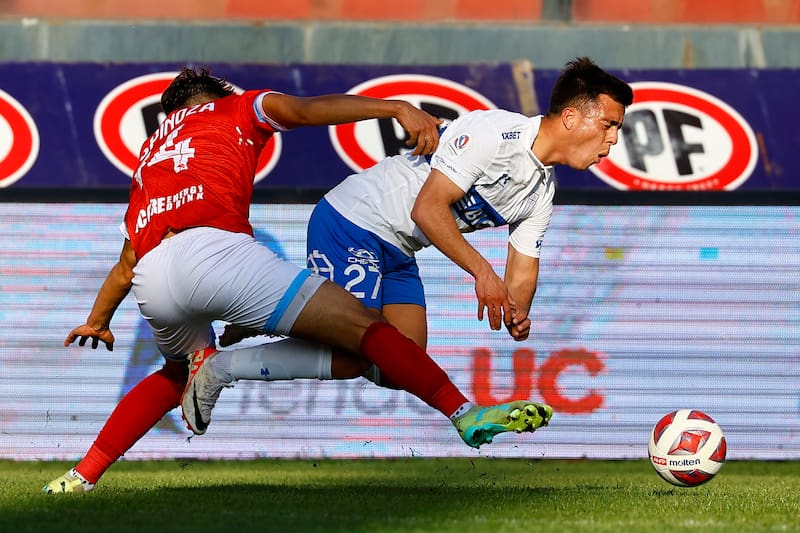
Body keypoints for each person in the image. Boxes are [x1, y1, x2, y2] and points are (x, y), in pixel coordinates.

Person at [43, 67, 552, 494]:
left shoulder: (150, 159)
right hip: (219, 255)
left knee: (176, 372)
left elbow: (126, 263)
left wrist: (97, 320)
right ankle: (463, 413)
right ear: (214, 95)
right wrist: (395, 107)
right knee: (364, 333)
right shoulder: (235, 107)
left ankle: (79, 477)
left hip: (153, 279)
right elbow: (307, 111)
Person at [206, 56, 633, 403]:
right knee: (355, 350)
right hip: (353, 220)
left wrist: (518, 313)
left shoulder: (541, 191)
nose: (612, 141)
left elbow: (521, 273)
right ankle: (222, 365)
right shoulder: (495, 133)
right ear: (572, 117)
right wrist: (484, 273)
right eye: (609, 125)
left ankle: (290, 314)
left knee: (400, 368)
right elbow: (427, 209)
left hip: (399, 248)